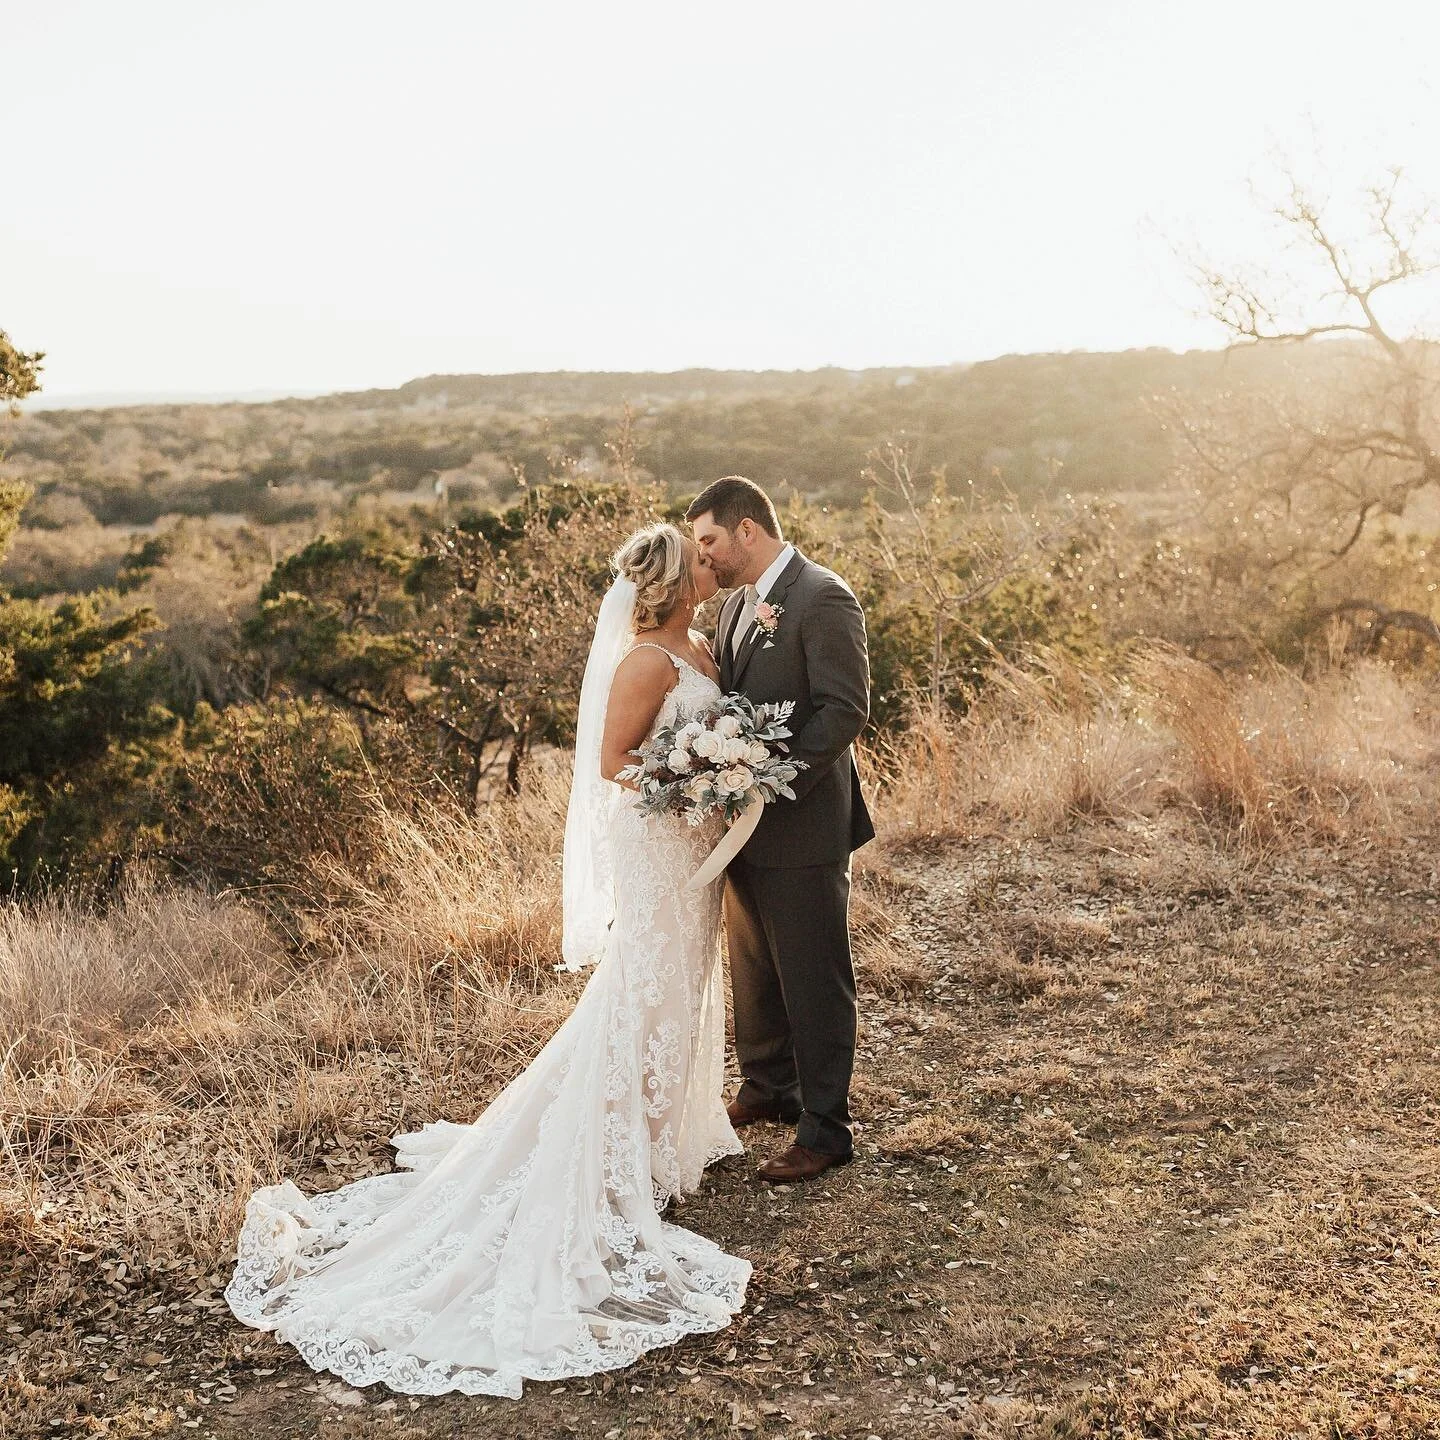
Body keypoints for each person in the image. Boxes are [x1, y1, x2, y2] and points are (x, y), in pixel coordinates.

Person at [224, 523, 750, 1399]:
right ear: (667, 580)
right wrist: (691, 779)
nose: (712, 566)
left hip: (694, 848)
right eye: (698, 560)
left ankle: (662, 1140)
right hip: (657, 846)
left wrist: (719, 777)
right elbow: (613, 761)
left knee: (683, 986)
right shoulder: (642, 664)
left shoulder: (699, 643)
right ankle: (615, 1152)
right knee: (642, 990)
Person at [687, 476, 874, 1184]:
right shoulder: (739, 602)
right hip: (744, 823)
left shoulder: (823, 596)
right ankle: (769, 1086)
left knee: (814, 978)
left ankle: (826, 1130)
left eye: (709, 540)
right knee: (756, 966)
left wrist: (767, 780)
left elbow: (843, 709)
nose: (703, 556)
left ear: (746, 531)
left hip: (802, 823)